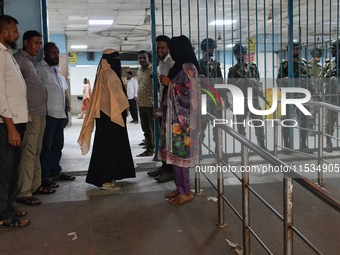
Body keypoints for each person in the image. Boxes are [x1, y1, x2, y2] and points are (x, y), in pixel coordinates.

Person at [78, 48, 136, 190]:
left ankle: (112, 175)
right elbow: (118, 98)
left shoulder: (102, 73)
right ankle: (105, 179)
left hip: (106, 117)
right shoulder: (109, 74)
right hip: (111, 118)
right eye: (115, 59)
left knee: (109, 147)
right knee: (109, 148)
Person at [158, 35, 200, 205]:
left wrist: (170, 84)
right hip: (173, 120)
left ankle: (186, 192)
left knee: (181, 156)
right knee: (174, 156)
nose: (171, 51)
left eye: (173, 48)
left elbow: (192, 93)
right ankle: (180, 187)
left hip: (183, 122)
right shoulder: (179, 66)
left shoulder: (189, 67)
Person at [14, 30, 53, 206]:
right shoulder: (19, 61)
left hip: (40, 112)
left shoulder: (31, 62)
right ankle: (24, 192)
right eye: (36, 43)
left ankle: (35, 185)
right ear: (26, 42)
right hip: (30, 113)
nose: (39, 47)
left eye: (40, 43)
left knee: (36, 151)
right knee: (29, 153)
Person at [0, 14, 30, 228]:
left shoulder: (7, 53)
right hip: (6, 124)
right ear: (4, 32)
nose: (18, 34)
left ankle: (8, 207)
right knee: (5, 170)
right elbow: (0, 94)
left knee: (12, 168)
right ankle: (2, 213)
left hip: (16, 121)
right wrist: (11, 127)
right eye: (15, 30)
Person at [36, 42, 75, 189]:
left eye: (57, 53)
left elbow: (63, 91)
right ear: (45, 53)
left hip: (60, 114)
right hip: (48, 114)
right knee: (47, 145)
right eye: (53, 53)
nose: (56, 55)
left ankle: (55, 172)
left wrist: (67, 106)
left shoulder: (56, 71)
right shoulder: (39, 69)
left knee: (58, 145)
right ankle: (45, 176)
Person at [227, 42, 268, 151]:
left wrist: (259, 89)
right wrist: (238, 82)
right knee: (241, 125)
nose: (240, 56)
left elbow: (258, 80)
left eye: (242, 53)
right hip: (240, 100)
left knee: (258, 122)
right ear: (235, 55)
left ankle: (262, 145)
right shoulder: (232, 70)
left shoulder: (253, 67)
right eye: (237, 54)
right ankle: (243, 147)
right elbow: (228, 86)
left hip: (253, 99)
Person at [277, 39, 314, 154]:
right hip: (288, 97)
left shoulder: (304, 64)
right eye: (293, 48)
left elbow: (309, 80)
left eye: (297, 48)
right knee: (287, 121)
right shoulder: (284, 65)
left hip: (302, 96)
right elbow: (278, 81)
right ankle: (286, 145)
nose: (295, 50)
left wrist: (313, 92)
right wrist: (285, 80)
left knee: (304, 121)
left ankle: (303, 144)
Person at [147, 35, 175, 183]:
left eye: (162, 47)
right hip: (163, 105)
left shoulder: (171, 63)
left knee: (169, 139)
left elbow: (173, 86)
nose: (159, 50)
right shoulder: (161, 64)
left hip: (171, 107)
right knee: (163, 139)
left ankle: (170, 169)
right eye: (158, 47)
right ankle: (164, 165)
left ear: (168, 48)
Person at [199, 38, 229, 160]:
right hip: (203, 100)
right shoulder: (198, 64)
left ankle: (219, 151)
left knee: (218, 128)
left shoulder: (216, 65)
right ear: (205, 49)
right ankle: (198, 151)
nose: (213, 49)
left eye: (213, 47)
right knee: (200, 128)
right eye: (211, 47)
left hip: (215, 100)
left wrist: (224, 96)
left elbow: (220, 82)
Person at [136, 50, 154, 157]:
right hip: (141, 103)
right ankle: (149, 149)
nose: (142, 60)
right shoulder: (139, 70)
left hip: (151, 104)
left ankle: (154, 148)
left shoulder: (153, 70)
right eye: (140, 58)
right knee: (145, 129)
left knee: (153, 129)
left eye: (144, 58)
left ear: (149, 59)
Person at [324, 38, 340, 152]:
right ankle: (328, 141)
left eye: (333, 49)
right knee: (330, 121)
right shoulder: (330, 64)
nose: (332, 51)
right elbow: (323, 78)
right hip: (332, 96)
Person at [307, 48, 323, 136]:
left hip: (317, 91)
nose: (319, 58)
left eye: (319, 56)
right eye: (317, 56)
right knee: (312, 109)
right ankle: (309, 128)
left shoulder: (320, 68)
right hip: (310, 91)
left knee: (315, 110)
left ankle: (311, 127)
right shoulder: (307, 67)